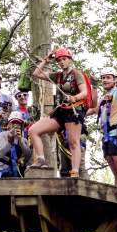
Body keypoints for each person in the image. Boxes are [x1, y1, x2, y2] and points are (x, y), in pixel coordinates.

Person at [28, 47, 88, 177]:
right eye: (59, 60)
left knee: (73, 142)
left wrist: (74, 97)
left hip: (73, 111)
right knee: (33, 130)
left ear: (70, 60)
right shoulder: (58, 76)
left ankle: (75, 171)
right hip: (60, 111)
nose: (61, 62)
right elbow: (36, 74)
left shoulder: (76, 74)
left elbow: (85, 93)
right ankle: (40, 159)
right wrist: (46, 60)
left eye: (64, 59)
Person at [0, 111, 32, 178]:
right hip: (1, 169)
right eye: (13, 123)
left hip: (16, 172)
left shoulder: (24, 140)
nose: (16, 126)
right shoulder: (2, 135)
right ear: (9, 125)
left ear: (22, 126)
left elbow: (28, 156)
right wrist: (9, 143)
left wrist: (20, 142)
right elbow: (0, 154)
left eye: (18, 123)